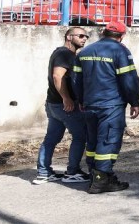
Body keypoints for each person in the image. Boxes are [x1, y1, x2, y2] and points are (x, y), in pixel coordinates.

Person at [72, 21, 139, 194]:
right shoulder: (120, 51)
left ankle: (95, 175)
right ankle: (102, 180)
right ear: (122, 36)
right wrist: (134, 102)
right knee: (109, 141)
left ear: (103, 32)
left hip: (89, 104)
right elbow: (129, 80)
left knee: (93, 141)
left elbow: (76, 80)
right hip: (111, 105)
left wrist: (80, 99)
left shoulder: (84, 51)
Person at [33, 27, 90, 185]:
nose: (84, 38)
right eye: (80, 36)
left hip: (53, 105)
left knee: (51, 138)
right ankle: (72, 172)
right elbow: (57, 76)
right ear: (69, 37)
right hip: (64, 106)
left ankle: (44, 173)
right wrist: (67, 98)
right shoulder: (64, 53)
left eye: (86, 36)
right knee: (80, 136)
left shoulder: (63, 53)